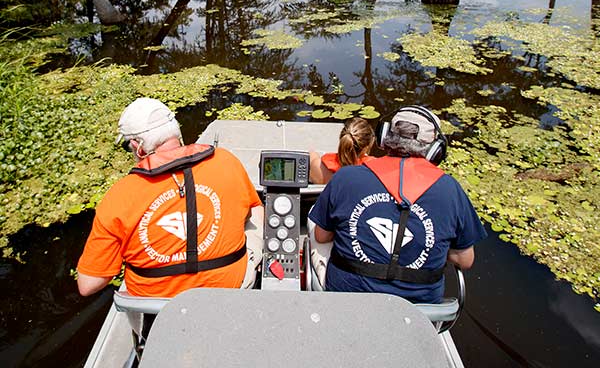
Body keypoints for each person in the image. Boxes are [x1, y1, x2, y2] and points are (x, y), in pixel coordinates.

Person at [77, 97, 264, 298]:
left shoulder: (119, 196)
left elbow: (88, 285)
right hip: (229, 290)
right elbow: (256, 209)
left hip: (156, 307)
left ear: (137, 146)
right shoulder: (225, 161)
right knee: (255, 213)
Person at [308, 106, 487, 304]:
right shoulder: (450, 189)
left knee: (314, 222)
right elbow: (465, 260)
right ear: (436, 149)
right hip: (420, 312)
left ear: (385, 137)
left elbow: (321, 236)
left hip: (348, 302)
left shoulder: (346, 177)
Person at [309, 117, 376, 184]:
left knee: (312, 154)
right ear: (366, 148)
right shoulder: (375, 170)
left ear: (342, 139)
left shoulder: (319, 167)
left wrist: (313, 157)